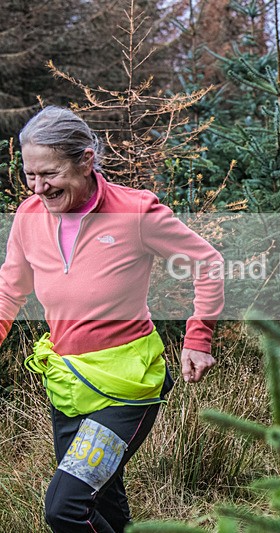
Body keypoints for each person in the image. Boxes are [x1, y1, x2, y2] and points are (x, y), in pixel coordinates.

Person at [0, 106, 225, 532]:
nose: (38, 187)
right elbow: (9, 291)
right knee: (101, 498)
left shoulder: (134, 211)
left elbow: (206, 262)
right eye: (30, 175)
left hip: (128, 383)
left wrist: (198, 337)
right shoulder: (28, 216)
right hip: (68, 380)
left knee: (65, 507)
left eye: (49, 173)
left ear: (85, 161)